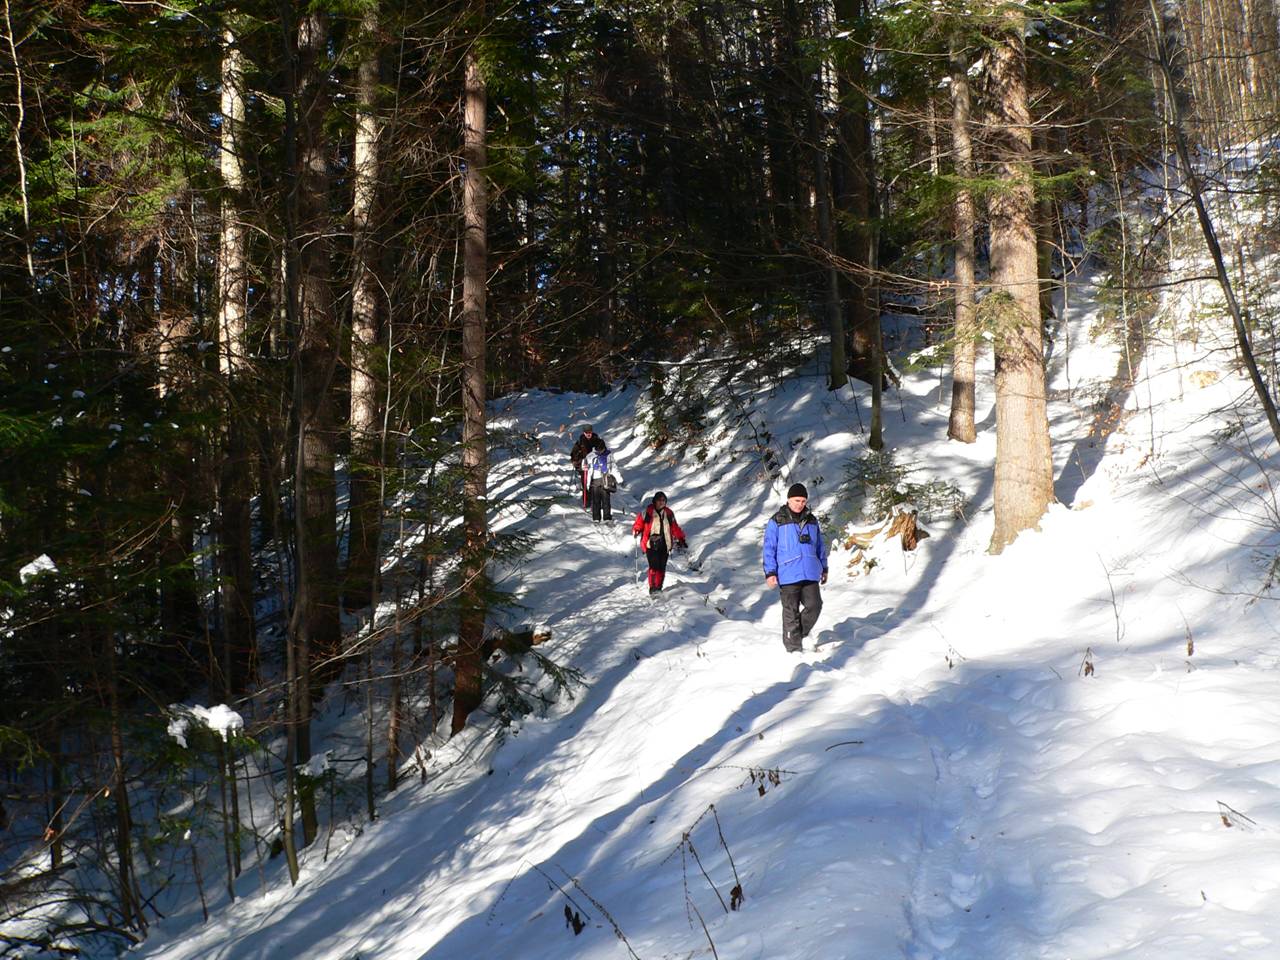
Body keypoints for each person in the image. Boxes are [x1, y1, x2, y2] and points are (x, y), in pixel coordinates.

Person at [761, 483, 828, 653]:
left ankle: (799, 635)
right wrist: (770, 572)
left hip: (810, 572)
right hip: (788, 573)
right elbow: (769, 548)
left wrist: (824, 567)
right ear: (789, 499)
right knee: (791, 612)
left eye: (803, 501)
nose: (800, 504)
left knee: (815, 605)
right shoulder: (777, 520)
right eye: (797, 500)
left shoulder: (812, 520)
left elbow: (820, 546)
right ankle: (793, 649)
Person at [632, 491, 688, 594]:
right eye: (659, 500)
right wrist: (636, 530)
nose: (661, 502)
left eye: (663, 500)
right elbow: (639, 523)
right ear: (654, 501)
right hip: (650, 544)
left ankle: (659, 587)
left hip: (665, 544)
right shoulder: (647, 512)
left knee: (662, 568)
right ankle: (653, 588)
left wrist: (681, 538)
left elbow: (674, 527)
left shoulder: (669, 513)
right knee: (654, 567)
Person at [584, 443, 622, 522]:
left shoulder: (608, 455)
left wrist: (619, 478)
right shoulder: (590, 456)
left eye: (602, 449)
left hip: (604, 479)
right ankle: (598, 518)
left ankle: (605, 517)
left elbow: (613, 467)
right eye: (599, 450)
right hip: (596, 480)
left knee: (604, 500)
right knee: (597, 500)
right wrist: (587, 482)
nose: (601, 451)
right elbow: (586, 469)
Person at [570, 425, 601, 507]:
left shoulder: (597, 440)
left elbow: (603, 452)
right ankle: (586, 501)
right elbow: (574, 453)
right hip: (584, 466)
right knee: (585, 483)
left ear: (592, 432)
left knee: (595, 484)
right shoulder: (580, 442)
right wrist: (575, 461)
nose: (588, 434)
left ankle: (596, 501)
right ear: (584, 433)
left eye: (589, 432)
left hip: (595, 466)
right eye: (586, 432)